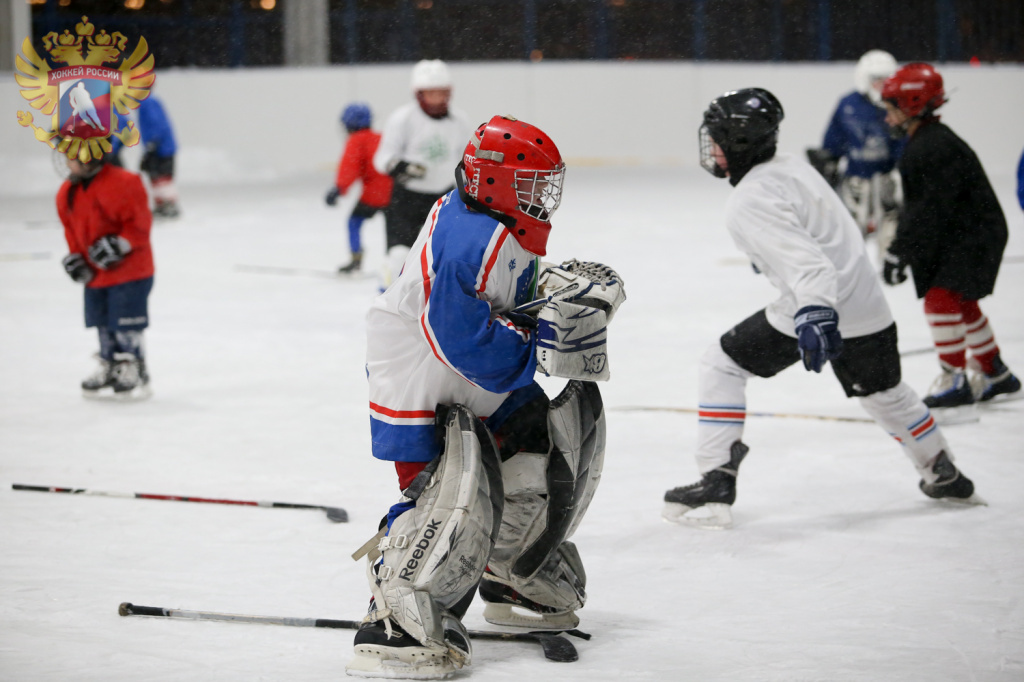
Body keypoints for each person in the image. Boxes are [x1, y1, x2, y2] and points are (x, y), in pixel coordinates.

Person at [346, 115, 626, 679]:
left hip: (472, 371)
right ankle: (396, 615)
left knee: (540, 450)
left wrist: (552, 294)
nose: (544, 196)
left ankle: (508, 573)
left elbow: (500, 297)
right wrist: (542, 338)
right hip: (421, 378)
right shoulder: (467, 239)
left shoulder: (497, 218)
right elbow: (462, 336)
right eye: (532, 184)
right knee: (449, 490)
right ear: (496, 181)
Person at [662, 88, 979, 531]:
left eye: (716, 136)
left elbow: (809, 266)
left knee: (722, 364)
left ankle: (717, 476)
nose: (710, 146)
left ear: (737, 142)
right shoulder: (791, 165)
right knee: (886, 392)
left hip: (819, 306)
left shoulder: (748, 200)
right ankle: (942, 470)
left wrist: (814, 314)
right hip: (868, 305)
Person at [879, 63, 1020, 408]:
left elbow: (926, 211)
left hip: (971, 236)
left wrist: (900, 251)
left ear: (912, 105)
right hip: (973, 232)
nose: (886, 118)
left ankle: (953, 379)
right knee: (962, 301)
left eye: (891, 109)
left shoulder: (929, 147)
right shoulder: (929, 141)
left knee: (940, 299)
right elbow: (930, 210)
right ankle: (995, 372)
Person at [58, 151, 154, 401]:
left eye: (71, 155)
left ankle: (133, 364)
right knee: (102, 322)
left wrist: (121, 244)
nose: (66, 161)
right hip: (96, 274)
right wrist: (75, 257)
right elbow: (71, 230)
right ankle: (110, 363)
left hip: (129, 272)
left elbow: (140, 224)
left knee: (125, 322)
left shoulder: (125, 182)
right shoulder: (67, 192)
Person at [372, 59, 472, 287]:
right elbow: (383, 157)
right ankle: (387, 295)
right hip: (407, 198)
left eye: (441, 93)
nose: (437, 99)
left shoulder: (460, 120)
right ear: (419, 95)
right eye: (431, 93)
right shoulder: (403, 118)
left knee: (448, 253)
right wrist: (402, 167)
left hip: (444, 198)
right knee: (399, 255)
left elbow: (467, 158)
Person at [807, 50, 904, 256]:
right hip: (855, 180)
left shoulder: (897, 105)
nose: (880, 84)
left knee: (890, 236)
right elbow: (834, 139)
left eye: (885, 79)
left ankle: (889, 266)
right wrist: (828, 159)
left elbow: (904, 142)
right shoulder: (849, 103)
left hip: (887, 180)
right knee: (848, 236)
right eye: (875, 79)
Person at [325, 102, 393, 274]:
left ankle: (356, 259)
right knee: (395, 230)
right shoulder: (381, 136)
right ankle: (397, 262)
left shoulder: (356, 140)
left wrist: (339, 189)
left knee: (354, 222)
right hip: (395, 192)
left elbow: (350, 167)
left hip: (374, 194)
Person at [110, 94, 181, 219]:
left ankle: (169, 204)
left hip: (162, 147)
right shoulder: (143, 103)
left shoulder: (148, 103)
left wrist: (152, 145)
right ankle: (161, 204)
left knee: (162, 176)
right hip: (158, 145)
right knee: (154, 175)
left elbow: (156, 124)